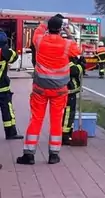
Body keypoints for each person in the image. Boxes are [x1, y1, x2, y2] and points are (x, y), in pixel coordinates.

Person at [18, 15, 80, 165]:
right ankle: (54, 155)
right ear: (60, 29)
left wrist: (46, 22)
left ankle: (29, 154)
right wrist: (69, 34)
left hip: (40, 89)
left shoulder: (39, 40)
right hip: (59, 90)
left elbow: (38, 31)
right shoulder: (67, 44)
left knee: (36, 119)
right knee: (56, 121)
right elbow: (78, 51)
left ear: (48, 27)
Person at [0, 31, 24, 141]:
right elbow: (15, 57)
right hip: (2, 88)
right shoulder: (5, 53)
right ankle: (10, 133)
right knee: (7, 111)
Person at [62, 55, 83, 145]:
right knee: (68, 114)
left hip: (65, 92)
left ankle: (68, 132)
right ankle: (65, 135)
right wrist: (80, 65)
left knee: (68, 113)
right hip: (68, 93)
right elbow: (75, 71)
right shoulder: (68, 64)